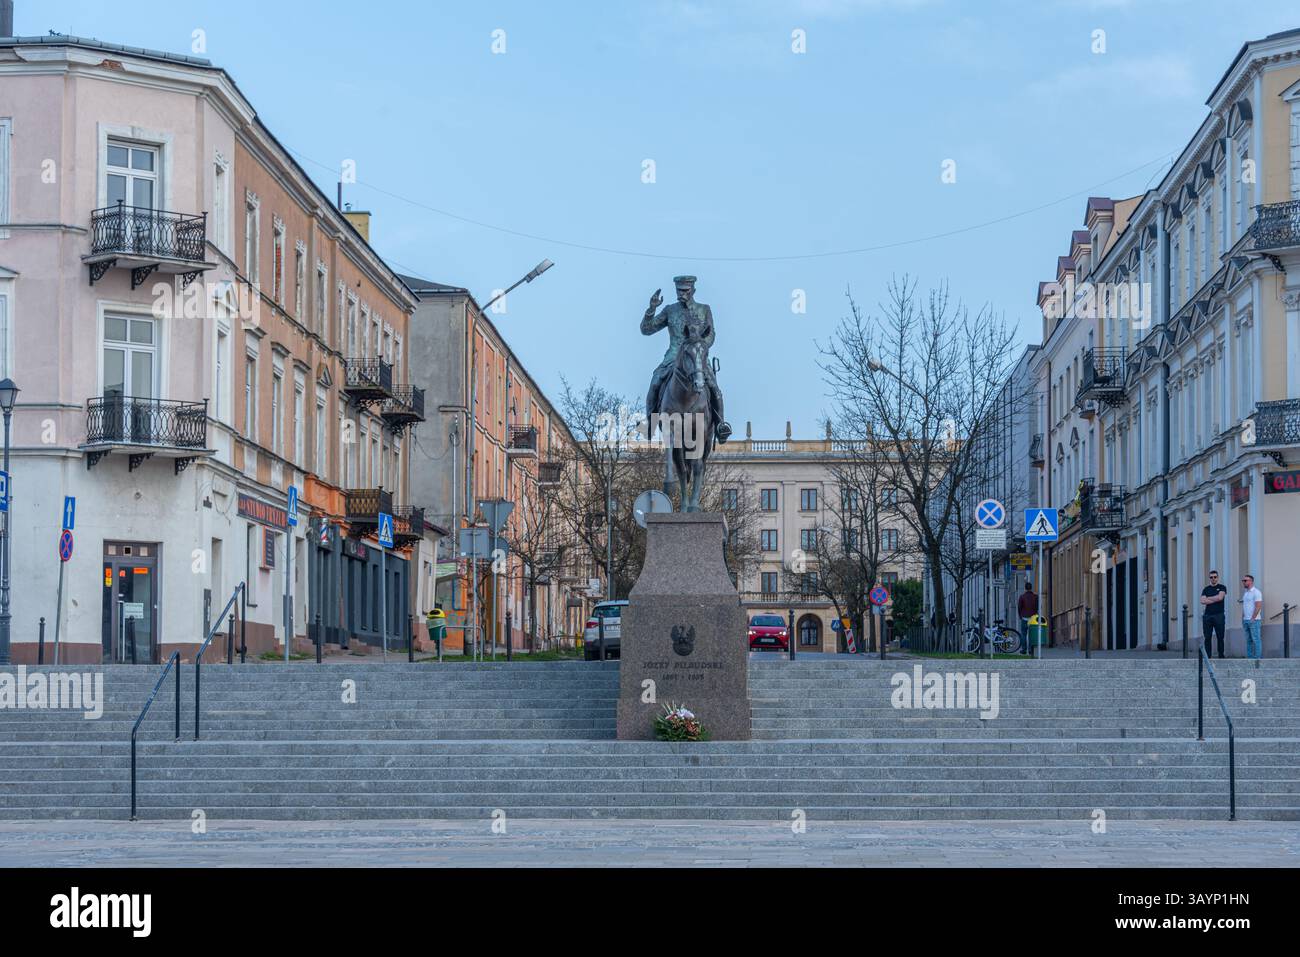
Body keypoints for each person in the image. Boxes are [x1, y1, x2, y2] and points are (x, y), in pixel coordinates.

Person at [1199, 570, 1228, 658]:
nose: (1213, 579)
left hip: (1219, 615)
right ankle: (1208, 656)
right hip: (1208, 616)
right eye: (1211, 577)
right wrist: (1214, 598)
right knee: (1207, 637)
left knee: (1220, 636)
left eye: (1215, 577)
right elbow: (1202, 601)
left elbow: (1220, 597)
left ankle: (1221, 655)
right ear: (1209, 578)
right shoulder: (1206, 589)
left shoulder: (1222, 587)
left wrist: (1208, 598)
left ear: (1217, 578)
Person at [1241, 574, 1263, 660]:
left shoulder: (1256, 592)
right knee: (1248, 640)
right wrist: (1243, 618)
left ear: (1251, 581)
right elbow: (1244, 606)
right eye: (1243, 581)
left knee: (1256, 640)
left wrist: (1253, 618)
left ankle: (1257, 658)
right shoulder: (1246, 593)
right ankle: (1250, 658)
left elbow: (1258, 606)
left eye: (1245, 581)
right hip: (1246, 620)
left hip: (1254, 620)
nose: (1243, 582)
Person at [1017, 580, 1039, 654]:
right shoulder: (1035, 597)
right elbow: (1037, 607)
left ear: (1025, 588)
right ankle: (1030, 650)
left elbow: (1019, 607)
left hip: (1024, 618)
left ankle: (1024, 650)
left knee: (1023, 634)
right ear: (1031, 588)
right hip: (1033, 618)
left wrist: (1020, 615)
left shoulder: (1022, 597)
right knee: (1031, 634)